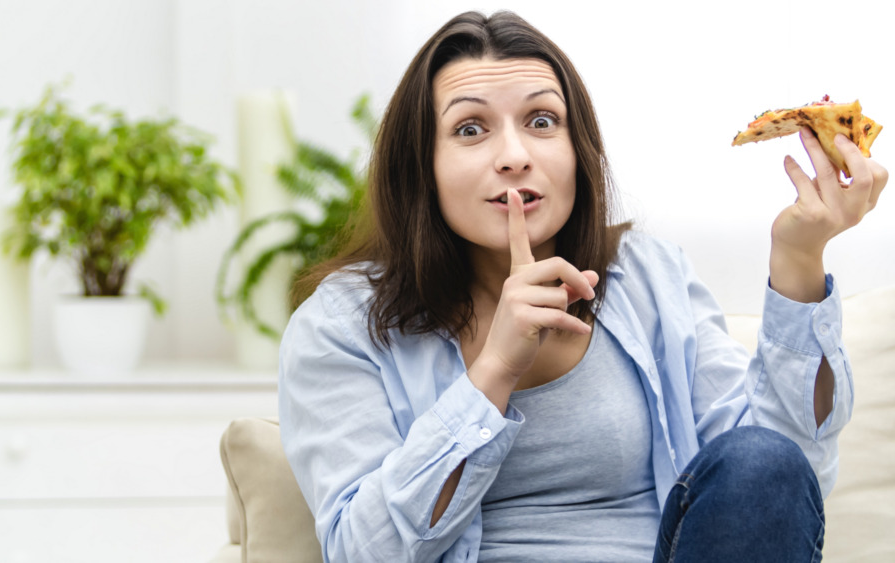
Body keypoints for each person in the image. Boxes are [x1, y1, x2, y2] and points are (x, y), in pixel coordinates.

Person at [277, 10, 888, 563]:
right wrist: (493, 372)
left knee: (761, 462)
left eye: (542, 121)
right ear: (422, 167)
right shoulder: (341, 324)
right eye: (470, 129)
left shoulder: (647, 277)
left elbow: (779, 487)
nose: (514, 155)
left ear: (577, 152)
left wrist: (800, 257)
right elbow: (362, 553)